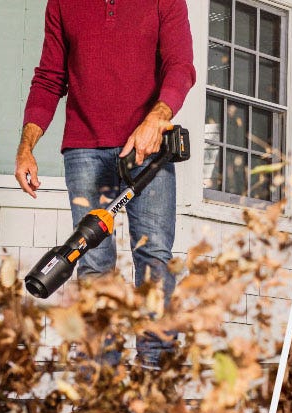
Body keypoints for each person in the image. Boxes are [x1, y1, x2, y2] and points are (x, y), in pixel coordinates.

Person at [14, 0, 196, 367]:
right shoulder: (63, 3)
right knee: (93, 262)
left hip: (147, 147)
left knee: (155, 256)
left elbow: (180, 65)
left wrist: (157, 118)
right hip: (85, 149)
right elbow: (50, 77)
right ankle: (100, 381)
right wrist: (26, 147)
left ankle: (153, 379)